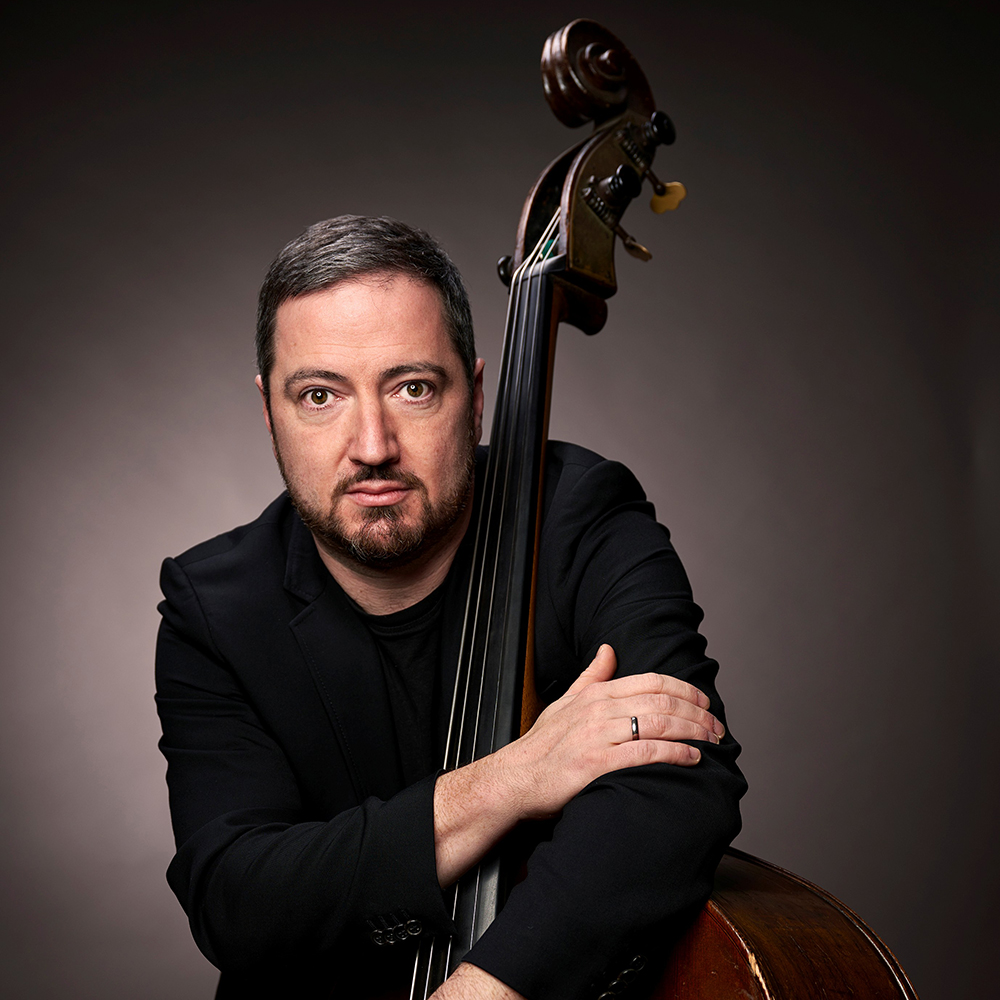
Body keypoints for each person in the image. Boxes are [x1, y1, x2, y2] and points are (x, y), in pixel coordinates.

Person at [155, 215, 746, 1000]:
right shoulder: (213, 606)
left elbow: (678, 781)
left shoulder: (582, 519)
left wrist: (486, 990)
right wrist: (511, 780)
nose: (372, 445)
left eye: (413, 388)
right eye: (320, 395)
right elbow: (238, 898)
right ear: (270, 411)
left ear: (474, 396)